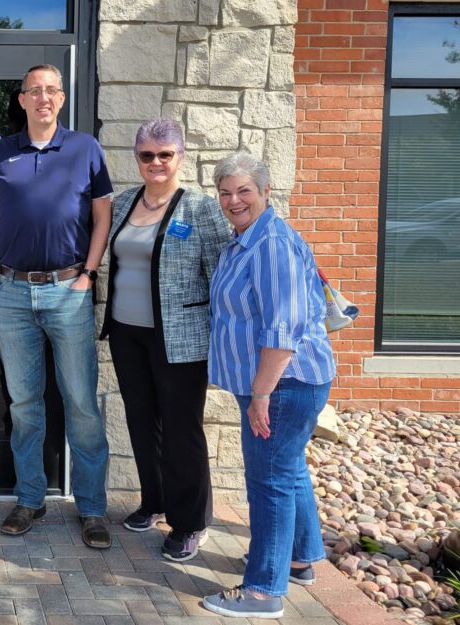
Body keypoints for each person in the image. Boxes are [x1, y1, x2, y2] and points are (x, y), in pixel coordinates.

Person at [0, 64, 113, 549]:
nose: (43, 98)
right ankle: (29, 498)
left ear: (60, 98)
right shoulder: (0, 153)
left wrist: (88, 275)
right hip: (11, 294)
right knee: (24, 404)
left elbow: (103, 218)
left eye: (51, 90)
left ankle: (93, 509)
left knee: (80, 402)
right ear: (21, 99)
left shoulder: (84, 150)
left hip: (67, 291)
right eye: (34, 91)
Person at [202, 152, 336, 619]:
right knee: (288, 469)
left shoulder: (271, 244)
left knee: (269, 481)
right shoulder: (245, 239)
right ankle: (299, 560)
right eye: (225, 192)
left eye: (243, 191)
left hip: (282, 385)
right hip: (280, 385)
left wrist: (261, 394)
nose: (233, 200)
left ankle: (262, 591)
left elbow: (282, 330)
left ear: (265, 192)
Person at [99, 118, 230, 561]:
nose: (156, 162)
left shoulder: (200, 209)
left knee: (181, 428)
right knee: (141, 420)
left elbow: (220, 276)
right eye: (147, 155)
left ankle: (191, 521)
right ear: (136, 158)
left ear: (180, 157)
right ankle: (154, 502)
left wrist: (224, 335)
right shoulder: (122, 204)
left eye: (165, 154)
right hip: (127, 332)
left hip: (182, 338)